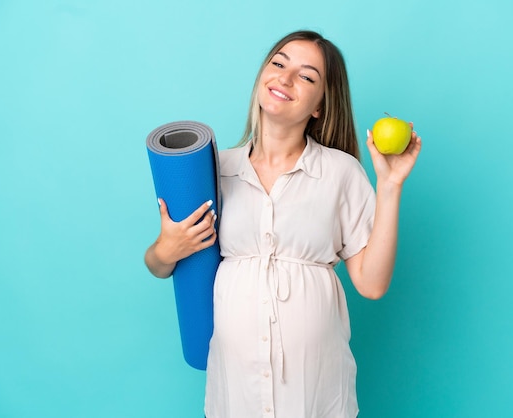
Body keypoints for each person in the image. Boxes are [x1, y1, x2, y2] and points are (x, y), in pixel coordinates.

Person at [144, 29, 422, 418]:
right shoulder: (213, 171)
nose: (286, 78)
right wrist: (164, 251)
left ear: (320, 107)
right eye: (278, 63)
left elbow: (372, 285)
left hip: (316, 392)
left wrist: (390, 186)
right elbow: (160, 263)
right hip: (236, 393)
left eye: (307, 76)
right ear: (262, 76)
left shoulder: (341, 172)